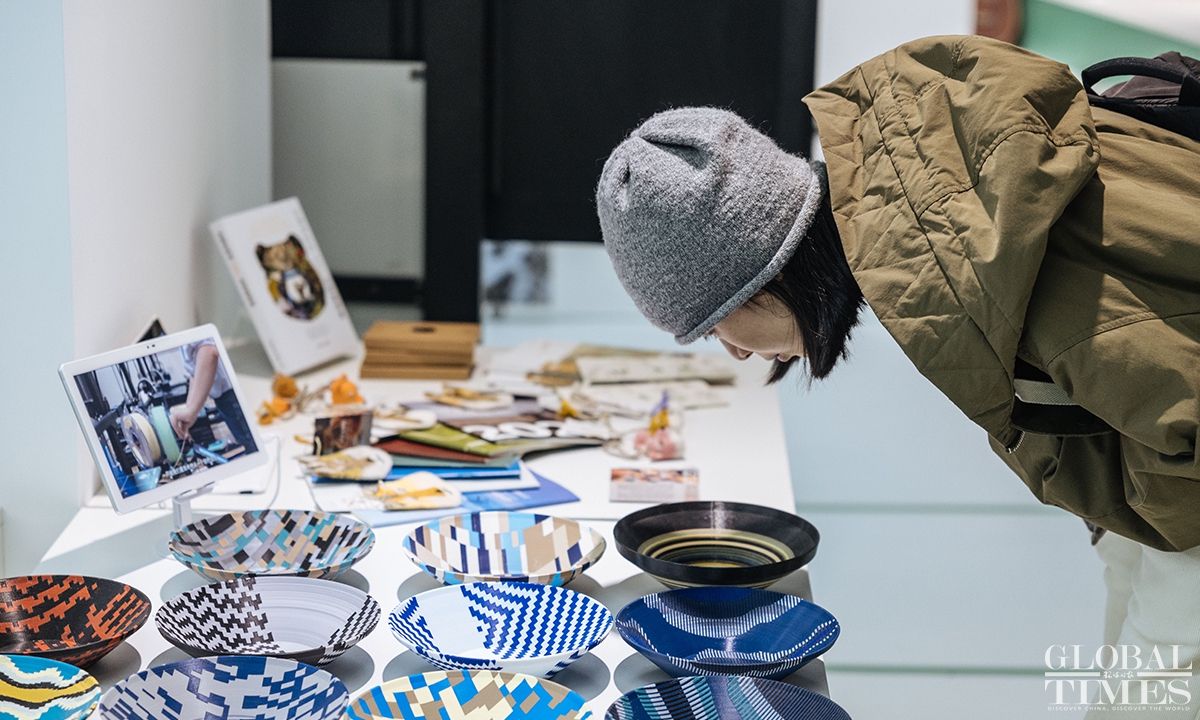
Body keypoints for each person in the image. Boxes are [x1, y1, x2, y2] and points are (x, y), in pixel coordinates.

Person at [596, 35, 1200, 716]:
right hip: (1170, 467)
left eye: (715, 327)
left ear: (760, 280)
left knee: (1153, 684)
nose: (734, 353)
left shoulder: (985, 256)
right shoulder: (934, 213)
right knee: (1132, 608)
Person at [170, 339, 256, 454]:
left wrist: (192, 410)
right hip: (224, 400)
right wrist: (190, 410)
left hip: (232, 396)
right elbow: (196, 372)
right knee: (250, 446)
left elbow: (209, 352)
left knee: (254, 449)